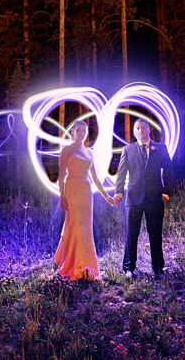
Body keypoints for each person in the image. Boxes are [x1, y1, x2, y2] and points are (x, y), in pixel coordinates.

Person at [54, 120, 117, 281]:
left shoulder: (89, 152)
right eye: (78, 130)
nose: (81, 133)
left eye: (84, 130)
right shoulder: (66, 150)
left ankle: (87, 265)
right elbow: (61, 175)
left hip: (86, 191)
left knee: (85, 228)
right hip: (72, 188)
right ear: (73, 131)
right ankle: (72, 263)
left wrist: (107, 196)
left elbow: (95, 177)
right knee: (73, 225)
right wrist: (62, 195)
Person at [114, 118, 175, 279]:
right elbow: (121, 174)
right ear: (135, 132)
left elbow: (168, 170)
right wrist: (119, 193)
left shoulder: (160, 148)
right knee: (131, 234)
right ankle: (128, 268)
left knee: (155, 233)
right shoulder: (128, 150)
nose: (140, 131)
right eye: (137, 129)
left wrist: (166, 191)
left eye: (143, 128)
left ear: (149, 130)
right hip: (133, 198)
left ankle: (158, 268)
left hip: (155, 197)